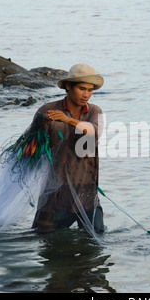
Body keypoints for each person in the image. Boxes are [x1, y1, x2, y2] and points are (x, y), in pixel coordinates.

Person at [31, 63, 105, 234]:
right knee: (44, 242)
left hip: (87, 193)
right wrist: (38, 126)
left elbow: (94, 132)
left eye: (90, 90)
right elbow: (32, 145)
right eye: (81, 89)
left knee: (96, 243)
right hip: (55, 197)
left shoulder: (94, 111)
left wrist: (68, 120)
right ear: (68, 86)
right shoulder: (47, 110)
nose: (86, 94)